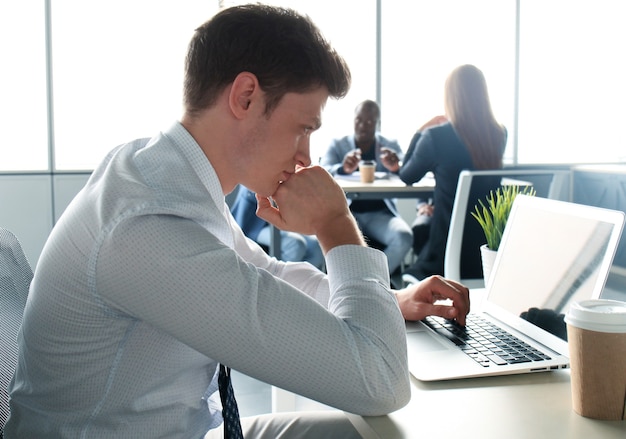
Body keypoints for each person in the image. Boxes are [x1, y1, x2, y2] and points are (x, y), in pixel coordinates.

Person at [4, 5, 469, 439]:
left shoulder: (165, 175)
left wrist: (389, 301)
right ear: (246, 96)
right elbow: (379, 381)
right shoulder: (148, 226)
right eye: (303, 128)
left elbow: (265, 276)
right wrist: (334, 223)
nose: (307, 155)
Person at [390, 64, 507, 283]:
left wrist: (419, 131)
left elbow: (407, 176)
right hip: (486, 255)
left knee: (418, 239)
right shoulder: (499, 134)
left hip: (443, 257)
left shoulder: (435, 137)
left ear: (450, 98)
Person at [320, 100, 413, 279]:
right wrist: (343, 169)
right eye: (359, 120)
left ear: (377, 123)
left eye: (369, 121)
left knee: (404, 237)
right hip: (346, 213)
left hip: (381, 214)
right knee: (339, 243)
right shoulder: (338, 145)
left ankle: (374, 281)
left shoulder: (389, 144)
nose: (363, 125)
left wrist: (396, 166)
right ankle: (362, 284)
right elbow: (323, 170)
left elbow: (408, 170)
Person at [230, 185, 325, 269]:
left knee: (316, 246)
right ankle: (280, 283)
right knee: (295, 244)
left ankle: (300, 286)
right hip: (254, 224)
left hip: (281, 220)